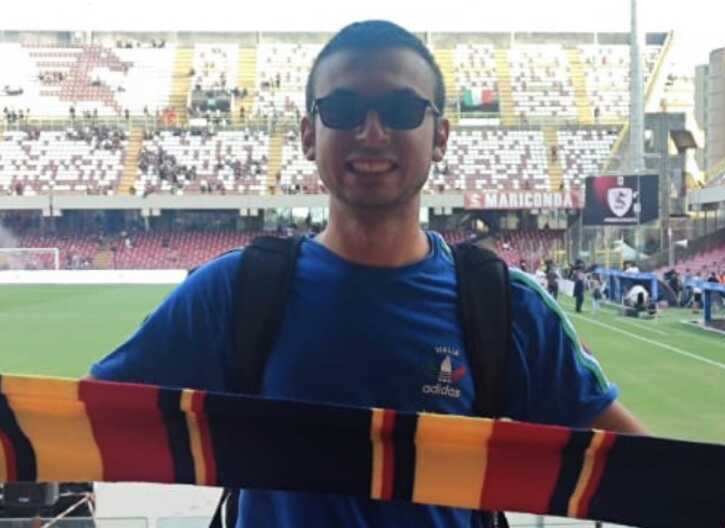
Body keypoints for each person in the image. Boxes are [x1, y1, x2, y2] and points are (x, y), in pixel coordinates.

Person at [90, 20, 644, 528]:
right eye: (343, 109)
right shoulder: (232, 292)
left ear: (441, 136)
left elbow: (648, 471)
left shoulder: (507, 307)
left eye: (401, 110)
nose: (372, 132)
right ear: (308, 135)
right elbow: (83, 421)